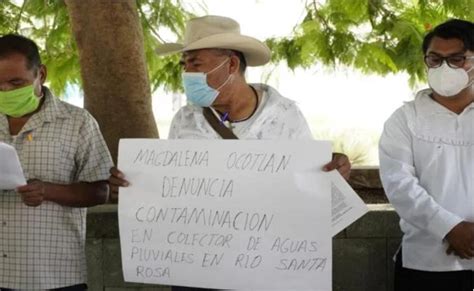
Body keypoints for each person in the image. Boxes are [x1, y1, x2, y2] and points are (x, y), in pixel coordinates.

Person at [109, 15, 351, 291]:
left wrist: (334, 171)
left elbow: (309, 191)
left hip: (265, 271)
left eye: (195, 63)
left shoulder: (285, 118)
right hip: (197, 270)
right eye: (184, 64)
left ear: (232, 64)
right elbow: (171, 190)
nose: (187, 73)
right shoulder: (185, 121)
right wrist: (133, 187)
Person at [0, 34, 113, 290]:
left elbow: (101, 190)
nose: (5, 91)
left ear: (41, 73)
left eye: (16, 82)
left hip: (53, 274)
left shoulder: (77, 122)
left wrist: (48, 191)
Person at [379, 19, 473, 291]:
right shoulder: (405, 119)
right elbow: (400, 185)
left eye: (456, 59)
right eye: (435, 59)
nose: (445, 67)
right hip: (426, 263)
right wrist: (451, 228)